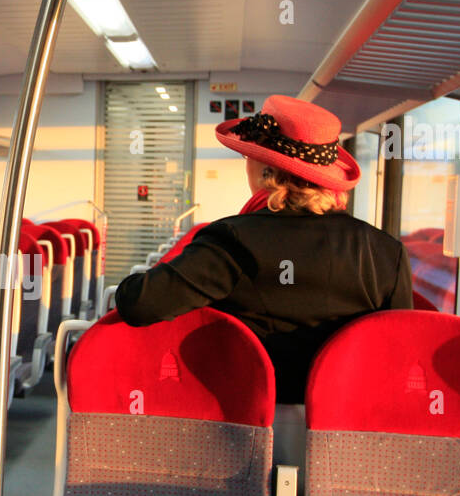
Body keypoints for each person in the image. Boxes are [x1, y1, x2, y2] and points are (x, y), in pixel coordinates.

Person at [115, 95, 412, 403]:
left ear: (265, 170)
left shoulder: (233, 240)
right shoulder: (387, 253)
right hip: (347, 425)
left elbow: (138, 303)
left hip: (249, 418)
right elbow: (398, 352)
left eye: (249, 156)